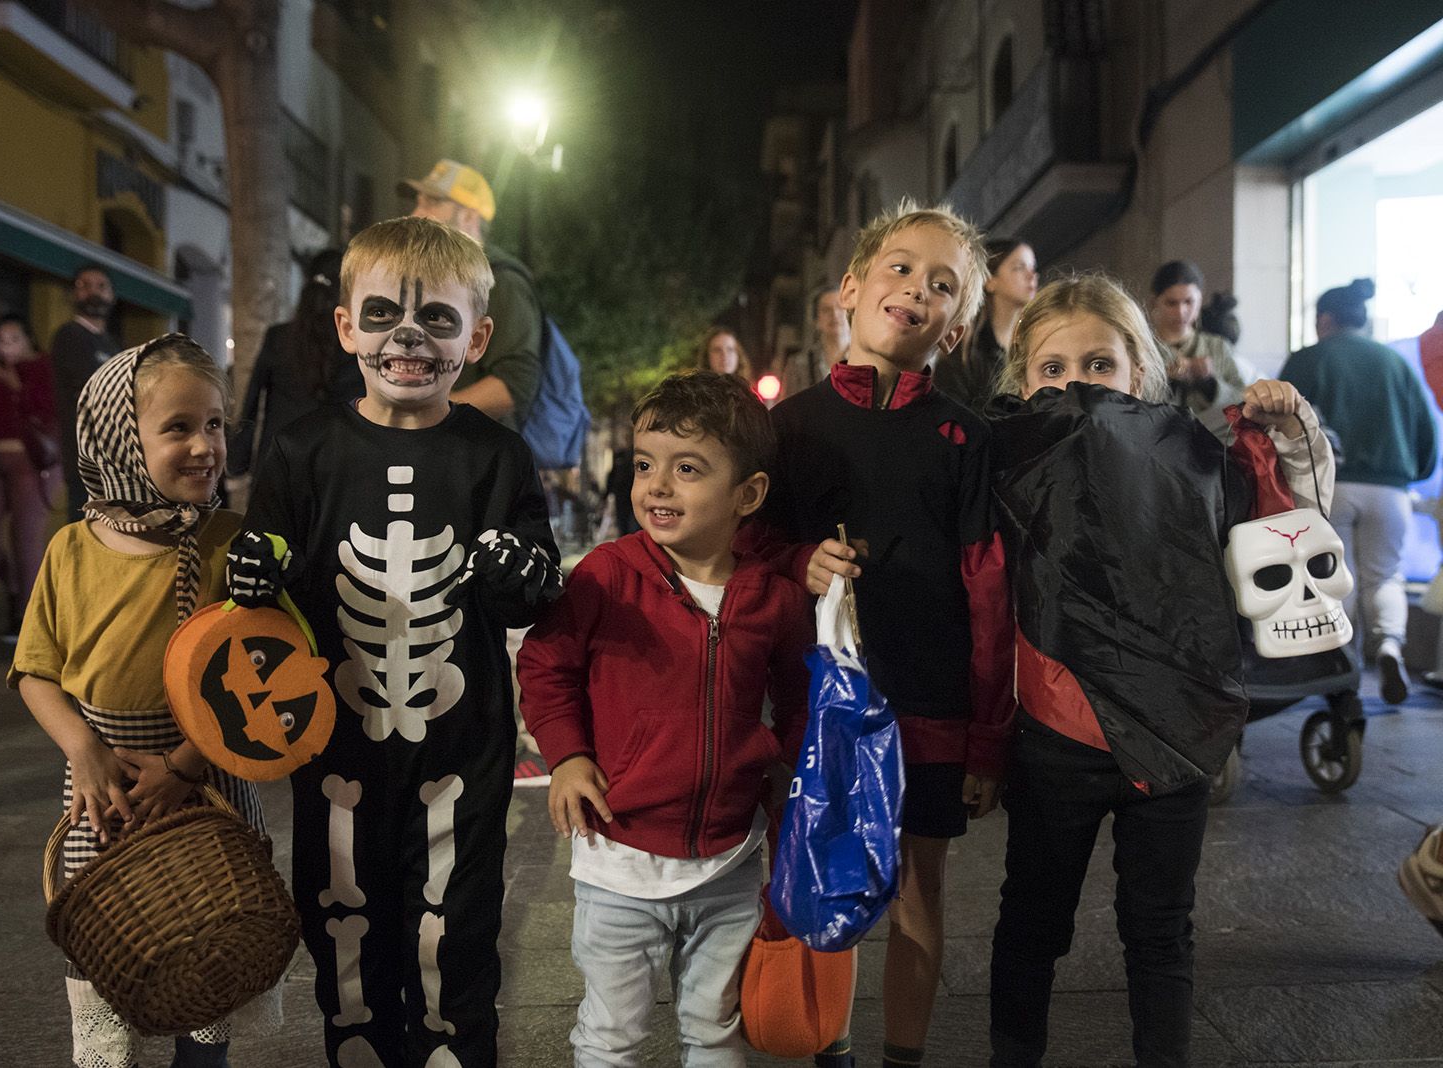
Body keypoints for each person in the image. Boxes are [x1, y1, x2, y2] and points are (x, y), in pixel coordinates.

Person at [224, 216, 561, 1066]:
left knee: (456, 950)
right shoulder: (302, 452)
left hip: (461, 755)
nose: (406, 338)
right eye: (380, 317)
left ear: (478, 338)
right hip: (336, 756)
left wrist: (518, 573)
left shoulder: (498, 458)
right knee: (345, 945)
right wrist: (254, 571)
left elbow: (536, 590)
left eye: (437, 322)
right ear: (345, 327)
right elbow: (260, 584)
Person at [984, 274, 1333, 1068]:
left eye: (1099, 365)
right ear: (1022, 380)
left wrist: (1288, 422)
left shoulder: (1200, 452)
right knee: (1034, 923)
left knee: (1160, 930)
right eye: (1054, 369)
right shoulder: (997, 456)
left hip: (1172, 745)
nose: (1077, 386)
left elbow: (1294, 523)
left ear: (1140, 369)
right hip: (1057, 738)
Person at [747, 199, 1014, 1068]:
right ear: (851, 287)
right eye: (900, 268)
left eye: (943, 285)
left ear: (962, 322)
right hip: (813, 703)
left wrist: (986, 739)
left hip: (930, 701)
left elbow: (988, 591)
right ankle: (829, 1041)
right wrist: (800, 565)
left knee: (917, 890)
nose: (917, 290)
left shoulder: (966, 438)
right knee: (817, 871)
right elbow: (747, 556)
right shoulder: (788, 431)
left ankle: (904, 1055)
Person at [517, 370, 810, 1066]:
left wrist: (791, 769)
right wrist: (566, 756)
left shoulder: (773, 599)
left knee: (716, 1030)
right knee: (611, 1035)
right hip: (619, 861)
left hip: (731, 864)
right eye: (646, 465)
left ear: (748, 495)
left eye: (688, 469)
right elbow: (544, 665)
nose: (657, 486)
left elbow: (801, 695)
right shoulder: (607, 577)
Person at [10, 334, 272, 1068]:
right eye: (178, 427)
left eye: (215, 424)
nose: (204, 446)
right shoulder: (71, 550)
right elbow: (35, 671)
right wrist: (84, 751)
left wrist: (188, 764)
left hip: (208, 769)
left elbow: (259, 674)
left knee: (213, 948)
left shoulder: (231, 543)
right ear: (121, 440)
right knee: (109, 948)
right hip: (107, 788)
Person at [1281, 278, 1437, 705]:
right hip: (1391, 490)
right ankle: (1389, 646)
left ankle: (1344, 669)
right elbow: (1425, 435)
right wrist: (1407, 474)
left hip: (1330, 485)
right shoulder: (1394, 363)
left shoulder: (1308, 360)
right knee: (1384, 576)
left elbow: (1279, 426)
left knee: (1338, 575)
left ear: (1326, 320)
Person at [402, 159, 544, 429]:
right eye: (418, 202)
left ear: (469, 217)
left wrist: (428, 415)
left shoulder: (501, 281)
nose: (415, 214)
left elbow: (515, 383)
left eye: (431, 204)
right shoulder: (436, 278)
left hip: (476, 455)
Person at [228, 248, 364, 479]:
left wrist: (237, 459)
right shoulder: (354, 344)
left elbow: (252, 402)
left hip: (277, 462)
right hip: (334, 465)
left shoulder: (277, 337)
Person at [0, 313, 59, 639]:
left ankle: (27, 619)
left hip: (30, 460)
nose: (6, 348)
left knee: (25, 538)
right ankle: (18, 589)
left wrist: (17, 386)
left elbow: (48, 412)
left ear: (28, 340)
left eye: (13, 340)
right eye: (1, 341)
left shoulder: (43, 366)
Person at [50, 265, 122, 517]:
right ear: (73, 295)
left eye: (101, 286)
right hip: (86, 458)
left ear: (112, 296)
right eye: (84, 286)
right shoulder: (70, 336)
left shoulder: (111, 345)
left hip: (114, 458)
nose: (93, 292)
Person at [932, 237, 1037, 409]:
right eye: (1019, 268)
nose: (1032, 276)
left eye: (1033, 267)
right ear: (990, 281)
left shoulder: (1032, 348)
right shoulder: (965, 355)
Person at [1148, 260, 1248, 437]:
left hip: (1215, 447)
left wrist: (1209, 384)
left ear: (1200, 300)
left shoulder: (1217, 347)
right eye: (1171, 303)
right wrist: (1168, 382)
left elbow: (1242, 402)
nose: (1180, 311)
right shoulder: (1143, 348)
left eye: (1188, 302)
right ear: (1155, 302)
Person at [782, 285, 851, 398]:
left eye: (840, 307)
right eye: (826, 310)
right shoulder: (799, 364)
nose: (834, 314)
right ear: (815, 320)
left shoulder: (866, 360)